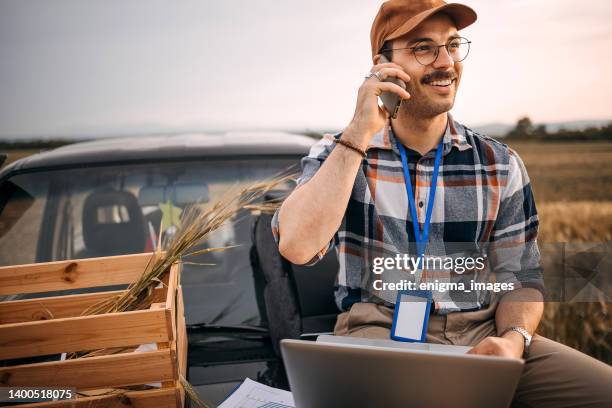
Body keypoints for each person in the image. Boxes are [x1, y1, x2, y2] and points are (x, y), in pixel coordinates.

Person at [271, 0, 612, 406]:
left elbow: (521, 279)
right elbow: (297, 245)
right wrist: (360, 131)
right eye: (422, 48)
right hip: (379, 334)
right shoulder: (340, 152)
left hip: (481, 334)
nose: (445, 62)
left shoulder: (498, 163)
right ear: (382, 65)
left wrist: (513, 342)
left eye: (451, 45)